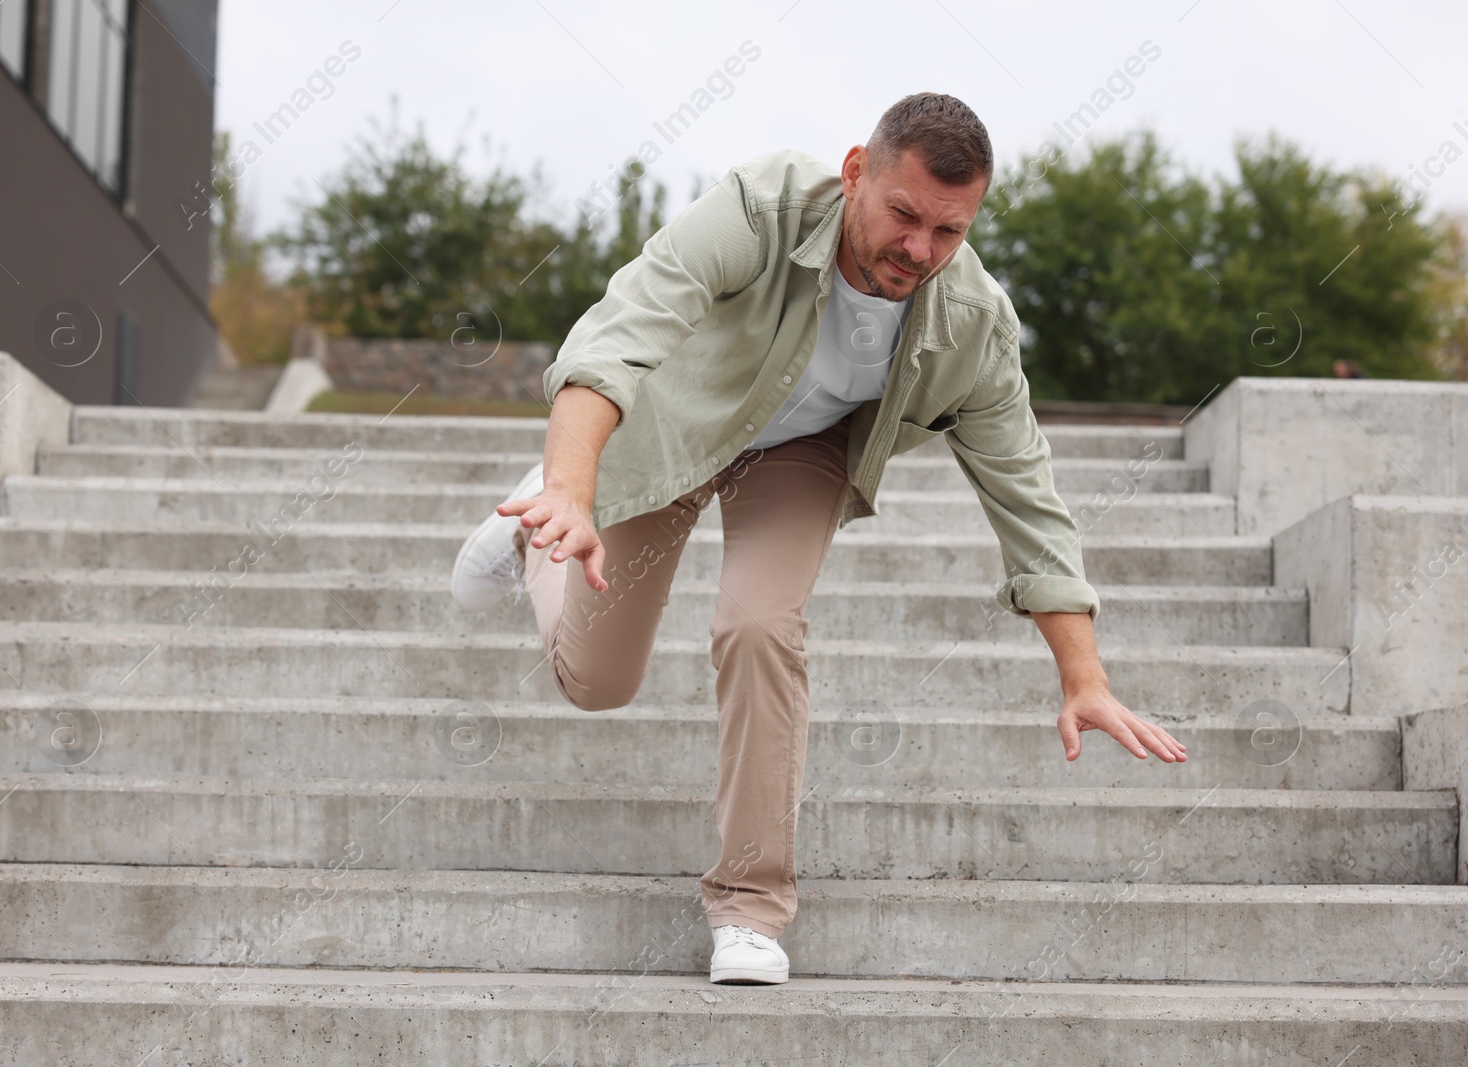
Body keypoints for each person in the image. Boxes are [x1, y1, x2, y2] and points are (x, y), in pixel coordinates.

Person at [451, 92, 1186, 986]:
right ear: (854, 175)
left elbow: (1026, 497)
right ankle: (537, 532)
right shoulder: (760, 208)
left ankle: (750, 906)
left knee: (761, 624)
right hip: (683, 419)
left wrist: (1085, 675)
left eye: (948, 232)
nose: (919, 250)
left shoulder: (975, 325)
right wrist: (571, 486)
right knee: (599, 682)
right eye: (904, 214)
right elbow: (617, 334)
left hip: (801, 457)